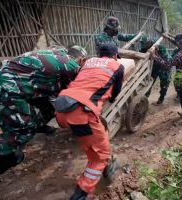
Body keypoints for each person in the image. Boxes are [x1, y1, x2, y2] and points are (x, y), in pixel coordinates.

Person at [0, 46, 87, 187]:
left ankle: (7, 155)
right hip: (6, 86)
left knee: (44, 109)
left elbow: (50, 90)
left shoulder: (55, 52)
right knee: (22, 130)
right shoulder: (71, 64)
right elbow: (78, 91)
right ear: (81, 59)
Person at [55, 43, 124, 200]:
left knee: (97, 141)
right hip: (81, 113)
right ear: (114, 56)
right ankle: (80, 195)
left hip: (61, 109)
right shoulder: (117, 66)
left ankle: (106, 169)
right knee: (99, 156)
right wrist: (109, 99)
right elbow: (116, 92)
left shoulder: (88, 62)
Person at [151, 33, 182, 119]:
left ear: (178, 43)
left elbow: (167, 65)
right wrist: (167, 37)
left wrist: (155, 57)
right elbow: (176, 42)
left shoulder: (179, 55)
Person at [140, 36, 172, 104]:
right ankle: (144, 100)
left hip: (164, 69)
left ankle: (161, 99)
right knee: (148, 84)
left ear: (150, 42)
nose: (144, 46)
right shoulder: (144, 48)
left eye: (145, 44)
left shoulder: (161, 47)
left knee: (164, 85)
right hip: (154, 67)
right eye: (143, 44)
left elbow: (167, 62)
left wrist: (155, 56)